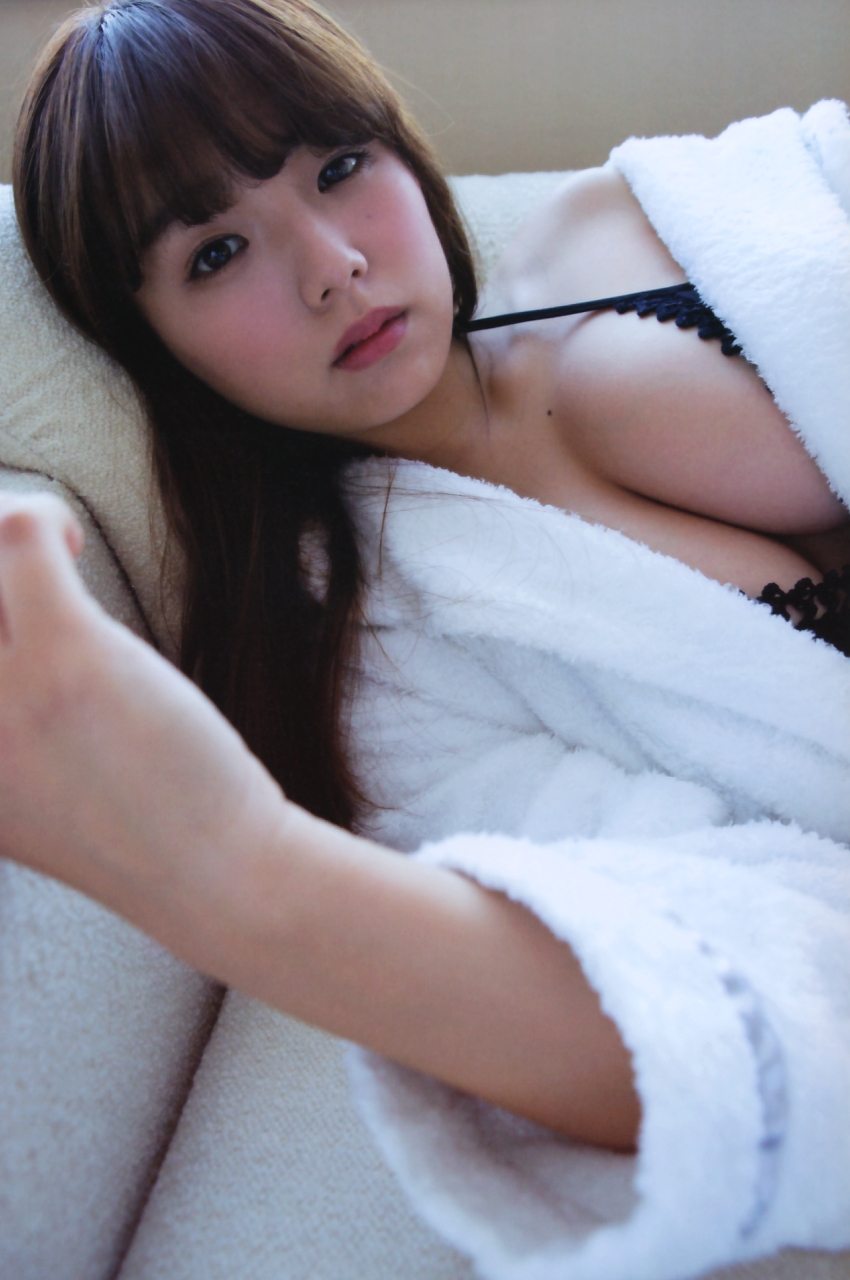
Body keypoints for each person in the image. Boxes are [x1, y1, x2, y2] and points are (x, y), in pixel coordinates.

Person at [2, 0, 848, 1267]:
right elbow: (717, 972)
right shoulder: (386, 665)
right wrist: (227, 868)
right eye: (216, 252)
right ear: (156, 350)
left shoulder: (632, 221)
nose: (330, 264)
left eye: (339, 167)